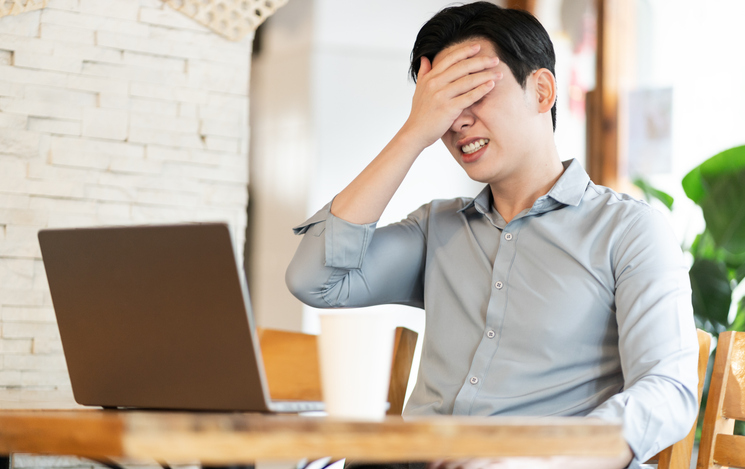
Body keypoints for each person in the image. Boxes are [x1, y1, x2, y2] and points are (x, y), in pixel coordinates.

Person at [285, 3, 699, 469]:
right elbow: (312, 279)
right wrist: (413, 133)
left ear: (541, 91)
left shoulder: (628, 230)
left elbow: (668, 392)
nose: (456, 122)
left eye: (471, 93)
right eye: (441, 105)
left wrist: (533, 460)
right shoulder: (435, 229)